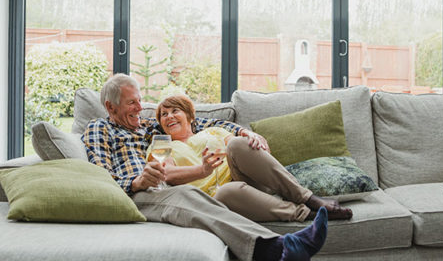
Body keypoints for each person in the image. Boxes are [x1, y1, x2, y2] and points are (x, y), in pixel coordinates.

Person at [83, 73, 330, 261]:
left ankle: (292, 229)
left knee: (195, 186)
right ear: (110, 107)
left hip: (161, 189)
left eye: (139, 101)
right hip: (134, 195)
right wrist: (137, 182)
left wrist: (242, 131)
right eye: (131, 104)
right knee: (188, 194)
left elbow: (197, 122)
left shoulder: (149, 127)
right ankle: (276, 247)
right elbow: (101, 176)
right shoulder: (99, 128)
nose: (139, 108)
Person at [156, 95, 353, 222]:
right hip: (219, 198)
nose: (169, 117)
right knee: (227, 191)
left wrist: (252, 138)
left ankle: (309, 198)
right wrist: (202, 170)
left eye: (175, 111)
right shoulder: (161, 144)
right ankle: (305, 214)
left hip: (249, 179)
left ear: (190, 117)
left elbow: (241, 151)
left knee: (238, 143)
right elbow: (166, 174)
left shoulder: (213, 131)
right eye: (163, 115)